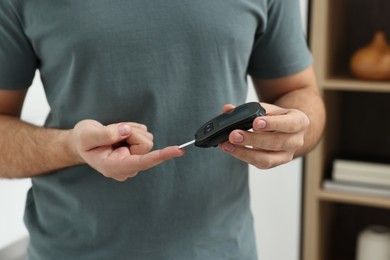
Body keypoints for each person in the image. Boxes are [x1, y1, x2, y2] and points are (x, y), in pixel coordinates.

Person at [0, 0, 325, 259]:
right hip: (71, 250)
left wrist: (296, 129)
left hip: (223, 250)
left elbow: (301, 94)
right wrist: (70, 146)